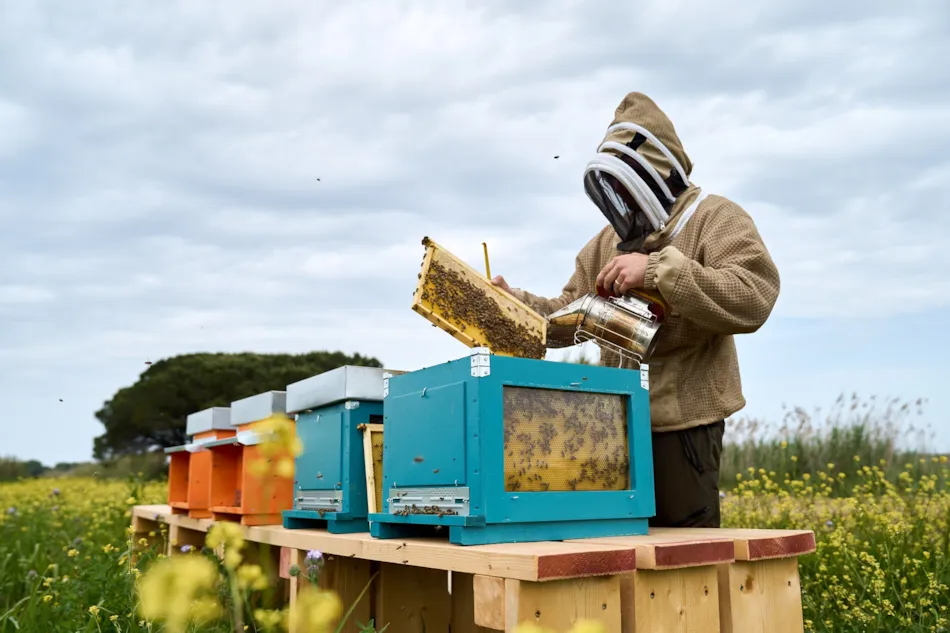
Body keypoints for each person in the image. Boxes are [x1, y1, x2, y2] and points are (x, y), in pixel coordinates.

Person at [491, 92, 780, 528]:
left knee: (684, 562)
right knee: (620, 553)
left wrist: (658, 270)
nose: (622, 198)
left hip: (684, 429)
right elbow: (567, 316)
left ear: (657, 172)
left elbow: (754, 294)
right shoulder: (605, 244)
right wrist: (512, 304)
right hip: (613, 425)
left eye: (628, 186)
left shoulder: (716, 220)